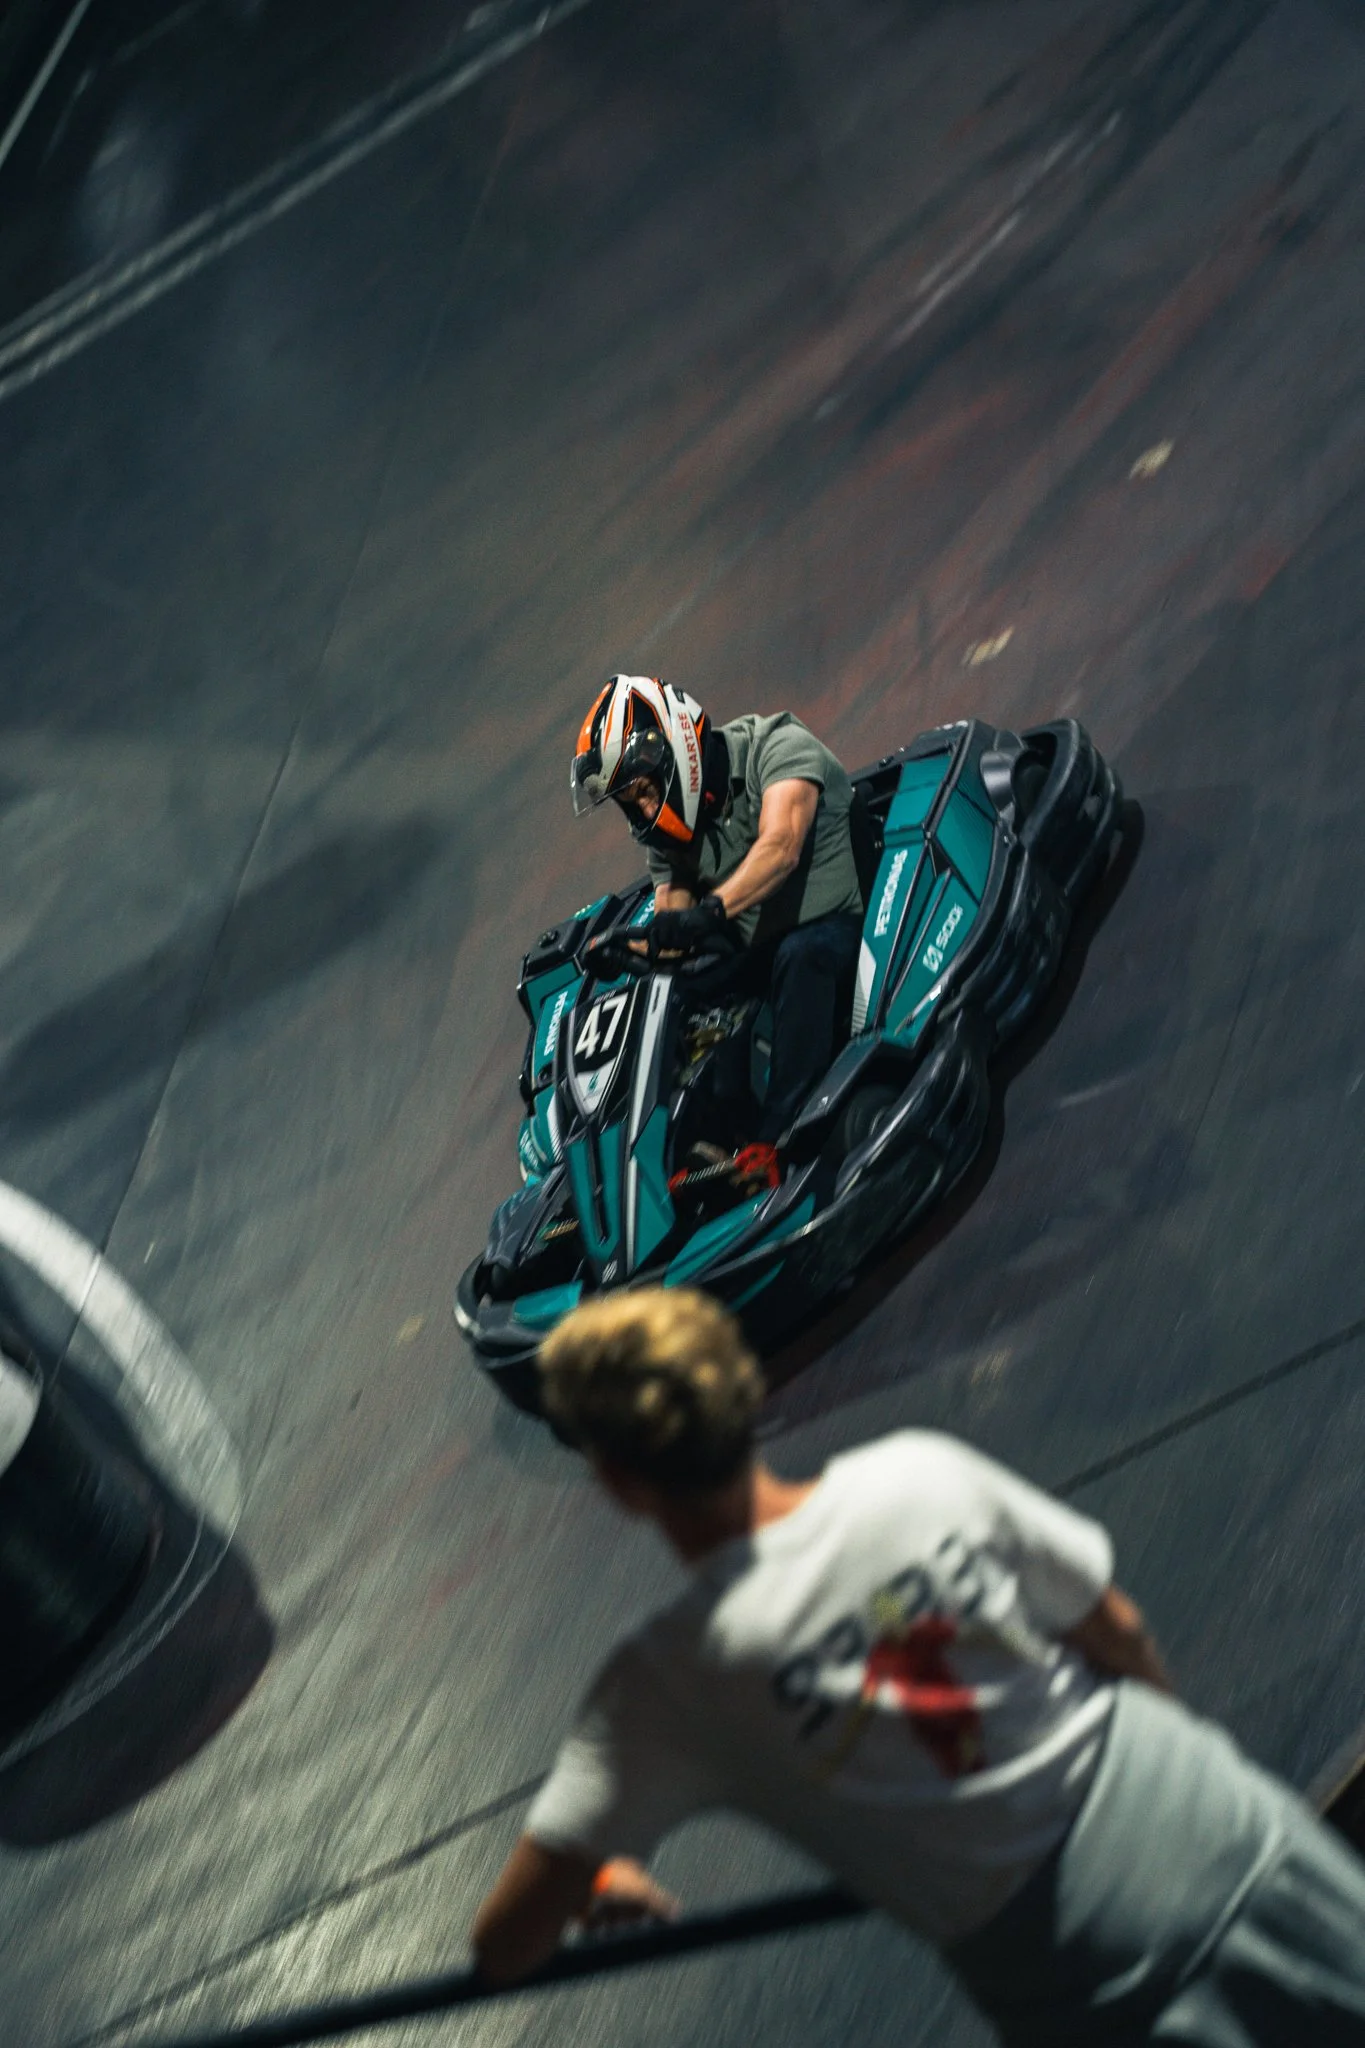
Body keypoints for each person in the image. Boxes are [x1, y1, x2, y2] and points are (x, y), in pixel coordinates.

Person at [471, 1288, 1365, 2044]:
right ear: (741, 1391)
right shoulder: (913, 1476)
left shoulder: (666, 1683)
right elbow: (1116, 1633)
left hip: (1086, 1964)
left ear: (619, 1480)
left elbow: (505, 1944)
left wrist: (590, 1882)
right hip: (1213, 1817)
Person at [570, 676, 865, 1174]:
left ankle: (777, 1140)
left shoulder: (776, 747)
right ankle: (651, 1159)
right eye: (630, 802)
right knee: (667, 995)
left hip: (843, 923)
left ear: (676, 748)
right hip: (756, 949)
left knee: (802, 956)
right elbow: (673, 921)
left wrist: (708, 915)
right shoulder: (667, 837)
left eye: (644, 790)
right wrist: (637, 952)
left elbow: (780, 850)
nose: (644, 810)